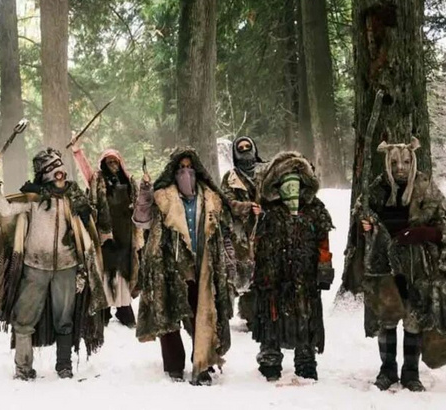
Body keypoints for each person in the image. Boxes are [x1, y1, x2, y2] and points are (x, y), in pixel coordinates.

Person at [0, 147, 108, 380]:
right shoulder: (34, 198)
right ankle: (23, 368)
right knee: (24, 319)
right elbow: (6, 210)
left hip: (67, 267)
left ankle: (64, 366)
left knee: (64, 320)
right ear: (44, 174)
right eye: (52, 169)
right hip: (35, 268)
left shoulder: (74, 198)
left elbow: (88, 226)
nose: (59, 172)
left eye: (60, 166)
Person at [342, 137, 446, 392]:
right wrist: (366, 226)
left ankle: (411, 373)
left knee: (414, 319)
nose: (400, 167)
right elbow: (361, 218)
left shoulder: (425, 188)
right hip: (384, 266)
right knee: (387, 318)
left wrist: (425, 233)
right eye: (394, 163)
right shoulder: (376, 190)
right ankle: (387, 370)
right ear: (387, 164)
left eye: (405, 162)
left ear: (413, 162)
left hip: (417, 268)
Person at [132, 147, 235, 385]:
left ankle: (203, 362)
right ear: (173, 172)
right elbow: (142, 220)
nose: (185, 173)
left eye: (189, 168)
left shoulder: (210, 198)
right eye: (180, 168)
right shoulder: (163, 197)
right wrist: (145, 193)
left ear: (197, 170)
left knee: (203, 315)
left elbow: (224, 232)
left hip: (203, 267)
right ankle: (174, 366)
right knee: (169, 316)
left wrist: (229, 262)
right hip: (170, 266)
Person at [250, 152, 334, 382]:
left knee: (306, 317)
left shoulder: (315, 210)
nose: (292, 189)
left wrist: (324, 268)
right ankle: (270, 359)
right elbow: (254, 241)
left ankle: (306, 360)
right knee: (271, 315)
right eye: (286, 182)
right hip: (272, 275)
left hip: (305, 277)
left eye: (296, 182)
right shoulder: (267, 211)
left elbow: (323, 241)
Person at [71, 144, 140, 327]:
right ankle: (104, 311)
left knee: (124, 272)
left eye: (115, 161)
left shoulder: (128, 181)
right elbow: (85, 170)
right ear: (103, 163)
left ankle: (124, 309)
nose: (113, 165)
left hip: (125, 233)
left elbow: (140, 203)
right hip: (105, 234)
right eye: (109, 161)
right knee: (106, 271)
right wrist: (77, 152)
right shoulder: (98, 180)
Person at [220, 136, 265, 325]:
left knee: (263, 271)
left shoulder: (266, 173)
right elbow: (226, 201)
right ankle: (245, 313)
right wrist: (246, 207)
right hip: (240, 232)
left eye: (248, 146)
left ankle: (260, 315)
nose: (245, 150)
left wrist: (264, 210)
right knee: (242, 271)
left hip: (264, 228)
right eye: (241, 148)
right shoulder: (230, 177)